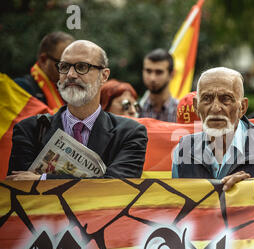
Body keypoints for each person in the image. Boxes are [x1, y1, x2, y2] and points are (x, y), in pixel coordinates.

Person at [7, 40, 148, 180]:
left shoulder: (130, 133)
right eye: (64, 66)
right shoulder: (29, 130)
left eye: (81, 67)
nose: (71, 74)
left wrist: (42, 179)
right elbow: (19, 189)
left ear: (104, 75)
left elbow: (115, 187)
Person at [172, 67, 254, 191]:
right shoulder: (183, 150)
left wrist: (251, 190)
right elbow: (177, 205)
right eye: (206, 99)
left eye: (226, 99)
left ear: (242, 107)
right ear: (196, 107)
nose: (215, 108)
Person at [14, 31, 75, 110]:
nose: (72, 73)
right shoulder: (20, 89)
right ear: (43, 60)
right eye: (64, 66)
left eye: (76, 66)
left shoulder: (72, 93)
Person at [139, 48, 178, 122]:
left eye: (159, 72)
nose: (152, 78)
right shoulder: (135, 111)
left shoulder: (182, 113)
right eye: (148, 71)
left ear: (172, 74)